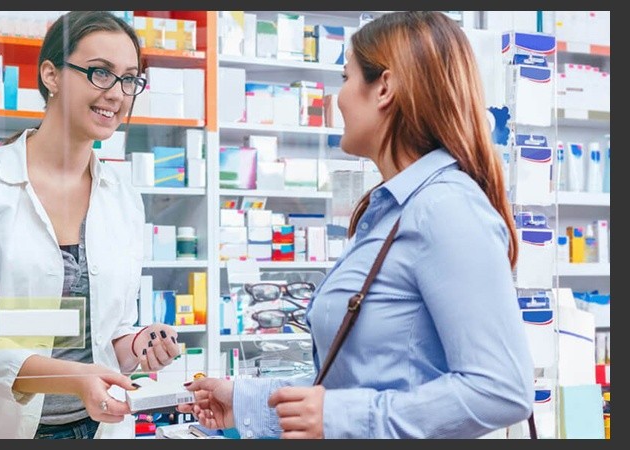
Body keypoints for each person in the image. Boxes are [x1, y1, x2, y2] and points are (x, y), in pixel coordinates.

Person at [178, 11, 535, 439]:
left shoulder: (446, 208)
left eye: (345, 77)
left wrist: (339, 417)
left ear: (384, 88)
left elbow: (501, 390)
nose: (339, 98)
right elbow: (361, 383)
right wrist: (245, 399)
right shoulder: (389, 210)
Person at [0, 11, 181, 439]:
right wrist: (75, 377)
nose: (117, 94)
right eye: (100, 73)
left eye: (129, 80)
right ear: (50, 74)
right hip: (12, 428)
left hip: (99, 426)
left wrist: (140, 344)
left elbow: (108, 333)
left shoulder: (122, 196)